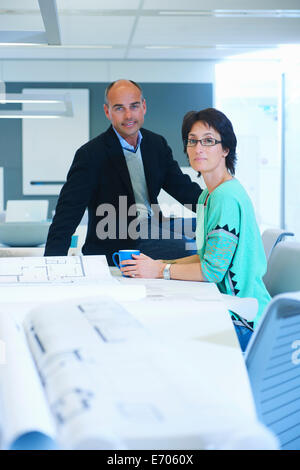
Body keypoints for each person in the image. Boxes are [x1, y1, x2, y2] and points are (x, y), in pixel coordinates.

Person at [120, 108, 271, 351]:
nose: (198, 148)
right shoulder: (207, 196)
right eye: (192, 141)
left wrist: (160, 270)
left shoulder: (226, 197)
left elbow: (212, 271)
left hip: (244, 320)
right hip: (225, 308)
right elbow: (207, 257)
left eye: (209, 141)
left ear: (225, 149)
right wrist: (160, 263)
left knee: (157, 334)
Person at [44, 79, 202, 264]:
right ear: (107, 112)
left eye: (134, 106)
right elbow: (68, 212)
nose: (128, 115)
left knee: (209, 230)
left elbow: (182, 188)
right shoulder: (91, 154)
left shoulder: (156, 144)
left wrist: (218, 204)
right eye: (119, 108)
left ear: (143, 106)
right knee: (190, 247)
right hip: (120, 239)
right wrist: (52, 264)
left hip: (156, 226)